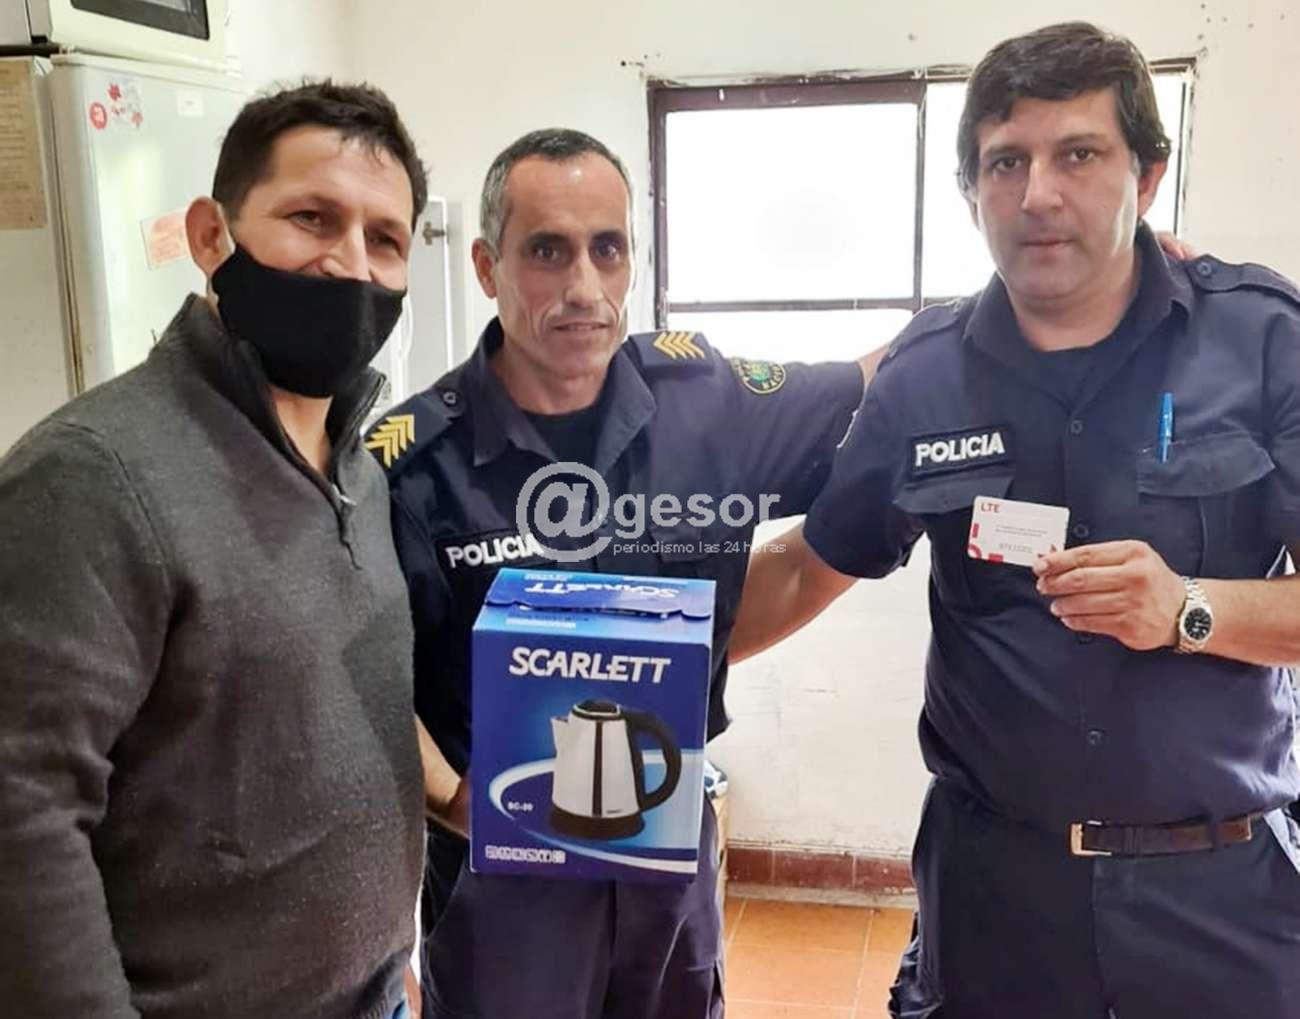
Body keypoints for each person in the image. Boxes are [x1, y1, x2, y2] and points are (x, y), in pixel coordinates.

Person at [731, 21, 1300, 1019]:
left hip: (1220, 898)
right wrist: (632, 658)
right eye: (1006, 162)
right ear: (970, 192)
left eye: (1077, 154)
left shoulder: (1261, 340)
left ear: (1148, 176)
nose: (1038, 193)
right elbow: (803, 567)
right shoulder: (925, 373)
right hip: (997, 897)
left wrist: (1187, 607)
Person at [366, 127, 879, 1018]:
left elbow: (879, 382)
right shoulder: (412, 466)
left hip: (667, 854)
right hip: (504, 882)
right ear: (486, 266)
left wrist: (1042, 300)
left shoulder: (707, 402)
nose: (584, 287)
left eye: (607, 249)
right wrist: (451, 801)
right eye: (547, 251)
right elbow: (360, 678)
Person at [0, 81, 433, 1019]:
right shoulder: (96, 472)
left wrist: (388, 948)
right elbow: (21, 805)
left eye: (385, 239)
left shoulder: (359, 467)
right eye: (312, 218)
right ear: (211, 235)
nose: (350, 265)